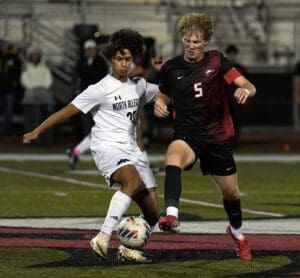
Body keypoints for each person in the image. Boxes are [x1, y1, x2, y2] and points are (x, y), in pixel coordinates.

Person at [23, 28, 160, 262]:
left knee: (154, 215)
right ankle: (103, 236)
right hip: (107, 146)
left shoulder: (140, 85)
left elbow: (166, 93)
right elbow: (68, 111)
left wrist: (166, 80)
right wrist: (37, 130)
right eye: (119, 59)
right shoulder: (100, 89)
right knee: (131, 181)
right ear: (111, 59)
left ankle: (126, 247)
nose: (124, 64)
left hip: (132, 150)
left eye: (128, 59)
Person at [154, 13, 256, 261]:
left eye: (197, 42)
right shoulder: (170, 68)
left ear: (206, 41)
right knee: (172, 158)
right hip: (188, 134)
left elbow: (248, 85)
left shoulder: (218, 61)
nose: (191, 46)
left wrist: (245, 90)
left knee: (231, 194)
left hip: (217, 137)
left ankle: (237, 232)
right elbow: (163, 95)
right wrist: (159, 103)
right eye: (187, 40)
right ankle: (172, 214)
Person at [21, 45, 53, 145]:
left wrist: (42, 88)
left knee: (44, 118)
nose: (35, 56)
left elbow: (48, 80)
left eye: (36, 54)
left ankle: (44, 140)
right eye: (33, 54)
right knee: (31, 117)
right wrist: (34, 87)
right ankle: (31, 140)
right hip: (30, 94)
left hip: (43, 94)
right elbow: (24, 80)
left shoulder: (44, 66)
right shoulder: (26, 66)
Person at [225, 44, 247, 147]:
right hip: (225, 100)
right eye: (230, 54)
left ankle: (234, 142)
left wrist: (245, 96)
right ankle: (227, 141)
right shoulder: (223, 68)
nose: (232, 56)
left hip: (237, 100)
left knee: (236, 122)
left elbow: (247, 84)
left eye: (233, 54)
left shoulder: (240, 69)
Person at [0, 38, 22, 140]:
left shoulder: (13, 56)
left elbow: (18, 70)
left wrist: (15, 85)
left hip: (9, 89)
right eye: (1, 44)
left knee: (9, 112)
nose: (3, 46)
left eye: (4, 44)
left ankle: (8, 133)